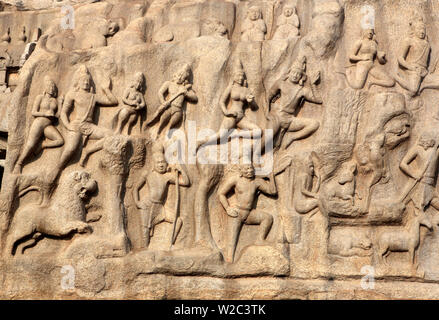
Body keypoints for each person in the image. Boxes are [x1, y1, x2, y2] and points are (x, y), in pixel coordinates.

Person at [55, 65, 118, 177]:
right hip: (76, 125)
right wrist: (68, 125)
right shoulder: (72, 94)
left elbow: (113, 101)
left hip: (90, 126)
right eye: (83, 80)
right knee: (71, 149)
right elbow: (63, 113)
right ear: (78, 82)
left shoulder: (93, 96)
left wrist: (106, 89)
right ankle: (58, 169)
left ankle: (88, 151)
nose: (85, 83)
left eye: (88, 81)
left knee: (110, 135)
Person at [133, 145, 190, 248]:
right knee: (145, 230)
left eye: (163, 162)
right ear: (153, 164)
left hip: (160, 208)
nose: (161, 165)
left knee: (178, 221)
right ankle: (144, 251)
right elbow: (136, 188)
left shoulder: (167, 176)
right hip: (147, 205)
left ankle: (170, 243)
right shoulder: (148, 174)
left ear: (166, 164)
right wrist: (137, 202)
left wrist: (181, 170)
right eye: (158, 163)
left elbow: (185, 182)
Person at [218, 163, 277, 262]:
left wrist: (271, 177)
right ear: (240, 171)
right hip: (237, 213)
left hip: (249, 213)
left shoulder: (256, 182)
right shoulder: (235, 180)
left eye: (251, 168)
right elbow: (221, 193)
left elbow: (272, 191)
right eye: (246, 169)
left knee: (267, 218)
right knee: (232, 240)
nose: (249, 171)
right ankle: (229, 261)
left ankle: (260, 239)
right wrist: (228, 208)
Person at [197, 65, 259, 150]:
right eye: (238, 75)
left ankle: (236, 134)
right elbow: (221, 101)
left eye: (242, 76)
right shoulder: (231, 88)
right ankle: (200, 142)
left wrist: (251, 102)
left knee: (258, 131)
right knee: (221, 135)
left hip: (241, 118)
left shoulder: (246, 90)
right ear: (234, 77)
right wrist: (226, 112)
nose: (240, 78)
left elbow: (254, 107)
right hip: (231, 116)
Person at [267, 57, 322, 149]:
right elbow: (268, 96)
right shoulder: (281, 83)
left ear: (301, 77)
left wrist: (313, 84)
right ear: (289, 73)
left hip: (290, 120)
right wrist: (267, 113)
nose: (295, 75)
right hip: (277, 117)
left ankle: (291, 137)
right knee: (267, 139)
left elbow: (319, 100)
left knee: (314, 124)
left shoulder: (302, 90)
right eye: (293, 72)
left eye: (298, 74)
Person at [13, 77, 64, 174]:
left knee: (60, 140)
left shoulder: (54, 101)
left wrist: (60, 104)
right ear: (45, 88)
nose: (52, 88)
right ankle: (19, 164)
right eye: (50, 86)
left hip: (48, 125)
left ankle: (43, 145)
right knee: (30, 144)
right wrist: (45, 114)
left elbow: (57, 116)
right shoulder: (40, 97)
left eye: (53, 87)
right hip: (39, 122)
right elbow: (34, 112)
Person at [147, 64, 198, 137]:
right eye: (179, 75)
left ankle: (166, 135)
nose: (180, 78)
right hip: (169, 107)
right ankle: (158, 132)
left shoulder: (185, 88)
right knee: (163, 120)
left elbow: (195, 98)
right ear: (175, 75)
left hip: (178, 110)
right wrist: (163, 102)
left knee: (172, 124)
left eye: (182, 77)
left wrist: (186, 93)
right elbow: (160, 92)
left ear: (185, 79)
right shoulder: (169, 84)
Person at [399, 133, 439, 213]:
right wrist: (414, 174)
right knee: (403, 205)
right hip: (418, 183)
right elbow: (403, 164)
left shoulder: (436, 151)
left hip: (430, 185)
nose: (426, 144)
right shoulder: (417, 149)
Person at [394, 19, 431, 96]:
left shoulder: (427, 44)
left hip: (424, 70)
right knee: (414, 89)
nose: (422, 31)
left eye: (423, 29)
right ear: (414, 30)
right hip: (413, 69)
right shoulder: (409, 41)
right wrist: (410, 67)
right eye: (419, 29)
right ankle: (396, 77)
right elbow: (400, 58)